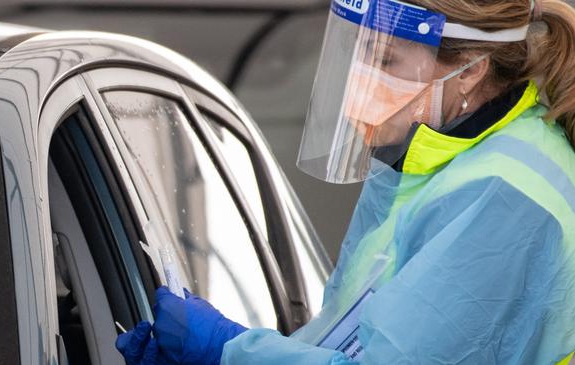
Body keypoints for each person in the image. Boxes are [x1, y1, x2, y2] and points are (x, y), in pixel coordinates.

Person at [116, 0, 575, 363]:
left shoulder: (506, 194)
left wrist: (227, 351)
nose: (359, 83)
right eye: (360, 56)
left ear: (471, 69)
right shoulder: (432, 157)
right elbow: (343, 339)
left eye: (386, 61)